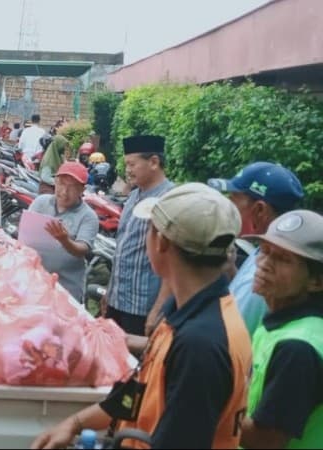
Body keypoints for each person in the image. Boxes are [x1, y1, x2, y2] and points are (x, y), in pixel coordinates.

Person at [32, 183, 251, 449]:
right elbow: (138, 392)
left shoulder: (200, 343)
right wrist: (75, 423)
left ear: (161, 243)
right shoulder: (186, 313)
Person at [239, 210, 323, 448]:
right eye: (264, 251)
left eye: (283, 259)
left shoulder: (299, 348)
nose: (264, 265)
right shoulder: (281, 321)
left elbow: (265, 440)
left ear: (316, 281)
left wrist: (201, 402)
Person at [207, 162, 304, 336]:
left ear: (259, 210)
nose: (227, 208)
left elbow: (229, 336)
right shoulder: (265, 252)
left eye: (233, 200)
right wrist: (231, 271)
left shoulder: (269, 273)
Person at [104, 135, 174, 336]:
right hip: (118, 300)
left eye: (132, 164)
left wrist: (158, 308)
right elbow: (123, 249)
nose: (127, 170)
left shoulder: (168, 200)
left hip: (142, 307)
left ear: (153, 162)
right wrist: (110, 292)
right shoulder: (134, 195)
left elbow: (172, 263)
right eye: (126, 164)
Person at [28, 162, 99, 301]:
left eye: (72, 187)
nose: (64, 192)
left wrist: (65, 241)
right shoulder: (41, 202)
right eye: (61, 184)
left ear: (82, 190)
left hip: (65, 289)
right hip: (34, 282)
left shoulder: (88, 216)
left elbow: (83, 248)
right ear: (55, 182)